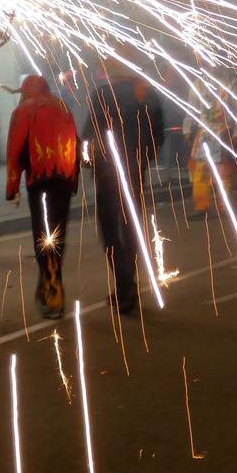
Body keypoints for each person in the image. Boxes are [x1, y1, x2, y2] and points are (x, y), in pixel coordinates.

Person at [83, 53, 164, 316]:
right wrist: (143, 159)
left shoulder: (102, 94)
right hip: (135, 169)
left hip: (106, 170)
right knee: (131, 226)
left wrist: (87, 161)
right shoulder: (148, 94)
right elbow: (158, 136)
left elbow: (88, 133)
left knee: (109, 230)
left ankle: (124, 284)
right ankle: (126, 285)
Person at [6, 73, 80, 319]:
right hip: (63, 179)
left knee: (43, 234)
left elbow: (15, 150)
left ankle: (53, 292)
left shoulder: (24, 111)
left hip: (39, 181)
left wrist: (12, 187)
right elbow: (75, 143)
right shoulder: (63, 106)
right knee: (57, 233)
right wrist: (74, 179)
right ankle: (49, 283)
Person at [186, 90, 237, 217]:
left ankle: (225, 207)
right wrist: (187, 130)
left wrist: (236, 132)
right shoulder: (198, 84)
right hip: (203, 132)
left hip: (222, 131)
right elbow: (191, 109)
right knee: (200, 171)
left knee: (222, 172)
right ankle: (201, 206)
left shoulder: (230, 83)